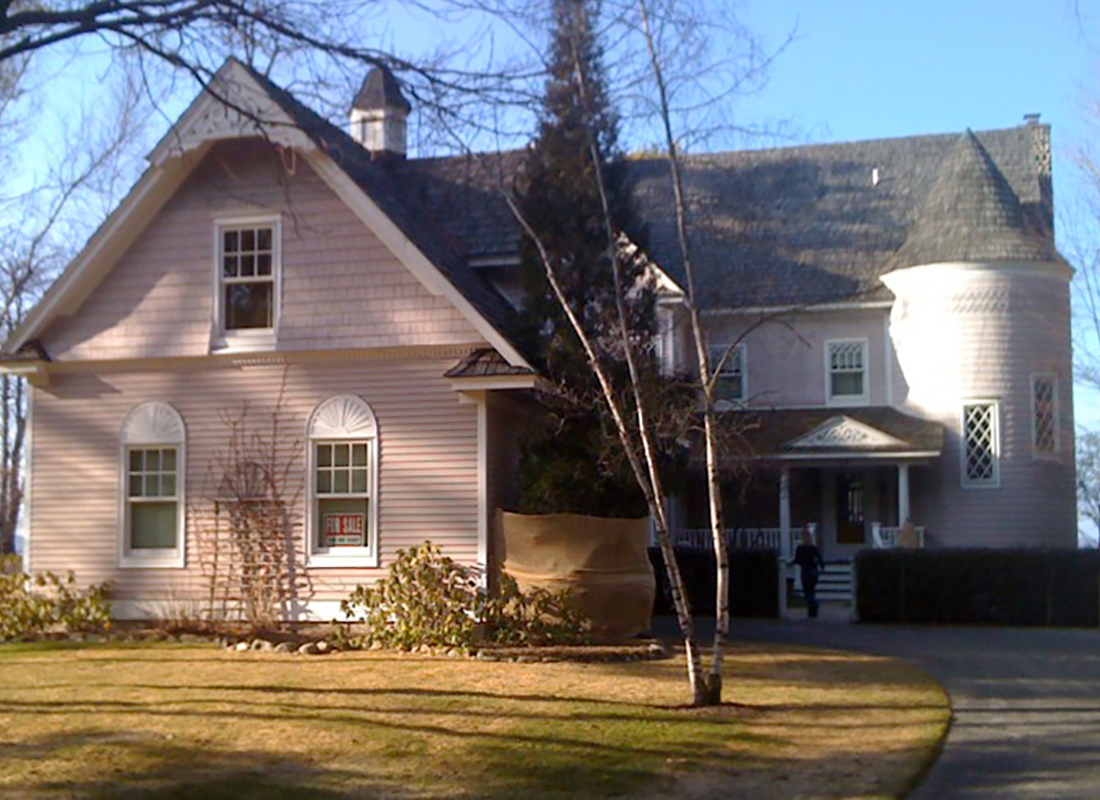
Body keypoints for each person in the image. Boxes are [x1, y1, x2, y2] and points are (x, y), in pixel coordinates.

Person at [790, 528, 825, 619]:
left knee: (807, 592)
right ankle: (812, 613)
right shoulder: (813, 548)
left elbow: (797, 560)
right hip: (814, 571)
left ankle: (814, 604)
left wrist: (789, 563)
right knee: (812, 591)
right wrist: (822, 567)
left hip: (805, 572)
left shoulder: (800, 548)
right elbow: (819, 558)